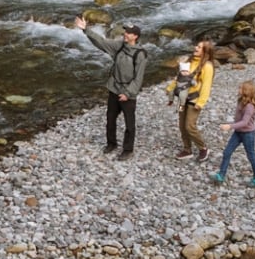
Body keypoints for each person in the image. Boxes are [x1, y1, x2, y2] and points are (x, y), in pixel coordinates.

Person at [71, 15, 152, 160]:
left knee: (129, 123)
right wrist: (86, 30)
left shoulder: (141, 54)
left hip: (128, 93)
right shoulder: (119, 45)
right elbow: (101, 42)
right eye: (125, 31)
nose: (125, 34)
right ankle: (111, 144)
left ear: (135, 36)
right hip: (114, 89)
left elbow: (138, 78)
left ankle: (128, 150)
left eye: (128, 32)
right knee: (110, 118)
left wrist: (128, 93)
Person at [210, 80, 255, 187]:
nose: (238, 90)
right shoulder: (240, 101)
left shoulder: (250, 107)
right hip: (238, 133)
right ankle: (221, 175)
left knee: (251, 155)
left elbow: (244, 122)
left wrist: (229, 126)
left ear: (246, 91)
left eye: (240, 88)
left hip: (248, 134)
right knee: (227, 152)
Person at [172, 40, 215, 162]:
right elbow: (180, 78)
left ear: (205, 52)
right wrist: (170, 88)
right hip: (182, 99)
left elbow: (206, 86)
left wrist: (200, 103)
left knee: (189, 126)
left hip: (194, 100)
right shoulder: (189, 62)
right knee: (181, 125)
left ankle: (203, 148)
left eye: (199, 47)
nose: (196, 48)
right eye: (197, 46)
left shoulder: (207, 66)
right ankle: (187, 150)